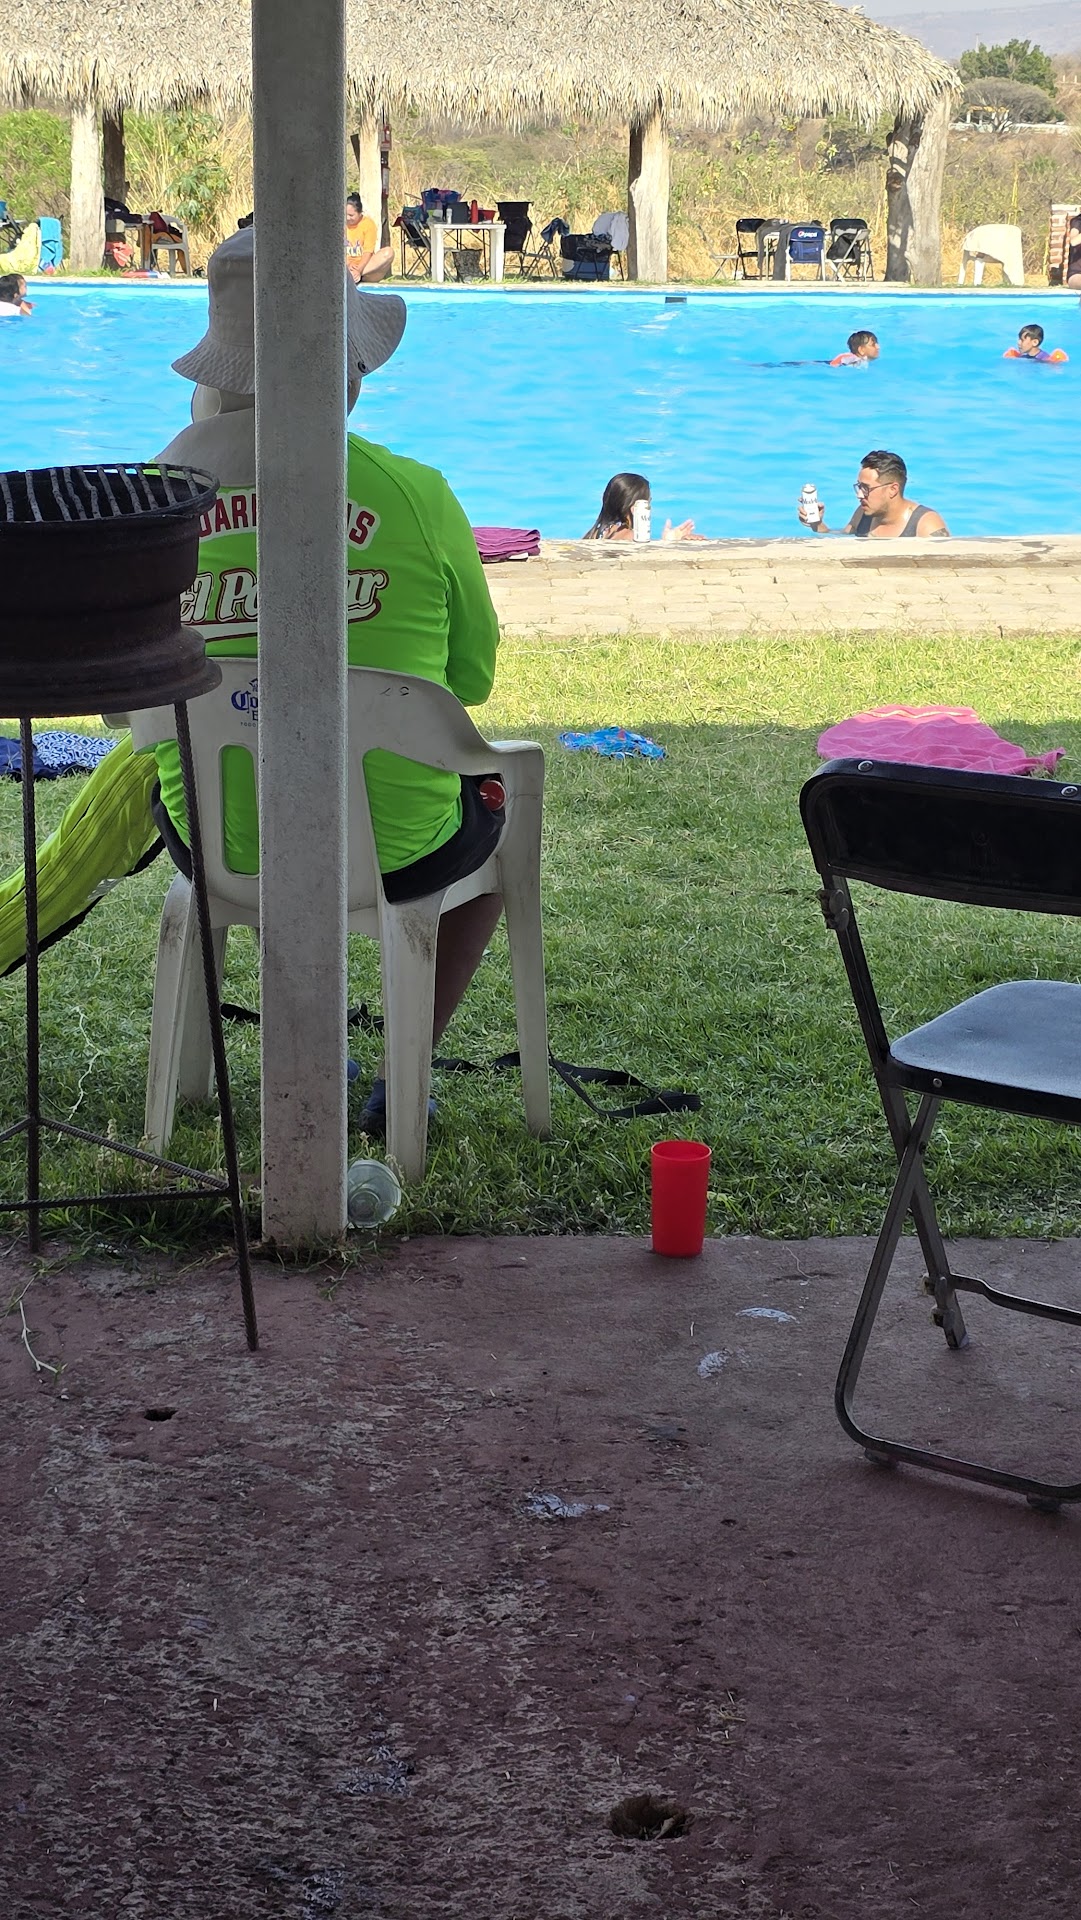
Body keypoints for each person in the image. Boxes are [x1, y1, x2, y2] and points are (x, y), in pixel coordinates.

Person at [0, 228, 503, 1140]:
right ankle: (409, 1066)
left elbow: (124, 703)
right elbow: (470, 676)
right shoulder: (418, 493)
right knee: (495, 817)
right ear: (348, 372)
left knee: (246, 792)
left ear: (214, 376)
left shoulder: (150, 505)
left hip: (215, 839)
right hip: (398, 848)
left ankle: (301, 1031)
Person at [798, 449, 948, 539]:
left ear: (893, 489)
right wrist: (817, 524)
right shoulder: (863, 514)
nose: (859, 495)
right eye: (859, 487)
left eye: (866, 488)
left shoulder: (926, 524)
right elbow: (840, 536)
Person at [583, 472, 702, 542]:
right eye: (648, 503)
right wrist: (668, 543)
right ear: (635, 509)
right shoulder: (632, 537)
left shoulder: (595, 534)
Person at [345, 192, 393, 284]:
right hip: (346, 266)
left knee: (388, 252)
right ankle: (349, 274)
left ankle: (354, 275)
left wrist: (358, 270)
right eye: (345, 214)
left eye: (351, 215)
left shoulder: (368, 224)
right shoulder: (340, 223)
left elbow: (368, 251)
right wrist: (348, 264)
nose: (347, 218)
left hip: (366, 268)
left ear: (360, 213)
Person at [1003, 323, 1067, 364]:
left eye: (1022, 340)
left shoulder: (1044, 358)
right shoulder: (1024, 356)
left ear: (1035, 342)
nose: (1018, 342)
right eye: (1019, 339)